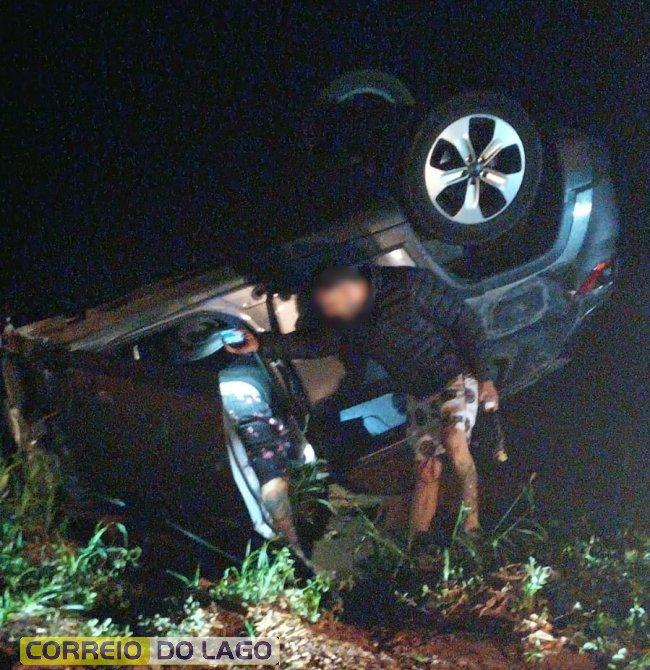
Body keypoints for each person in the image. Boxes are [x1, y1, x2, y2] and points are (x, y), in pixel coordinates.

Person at [227, 262, 499, 549]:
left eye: (331, 305)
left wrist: (486, 377)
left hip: (454, 376)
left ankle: (472, 528)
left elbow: (464, 322)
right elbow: (317, 343)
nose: (330, 313)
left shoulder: (408, 285)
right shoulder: (347, 321)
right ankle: (416, 547)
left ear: (348, 289)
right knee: (427, 471)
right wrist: (262, 344)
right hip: (418, 394)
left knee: (454, 439)